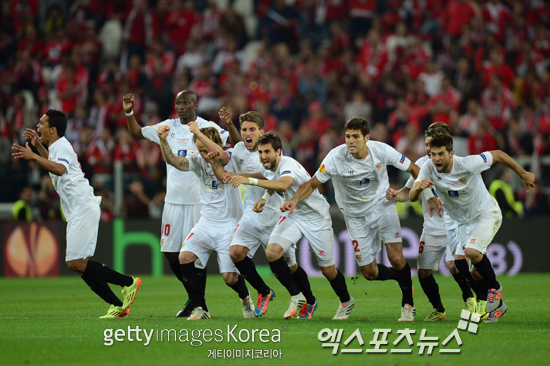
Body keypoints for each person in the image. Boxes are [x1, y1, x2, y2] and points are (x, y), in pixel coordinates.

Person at [283, 117, 419, 321]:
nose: (350, 141)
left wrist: (420, 193)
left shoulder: (382, 150)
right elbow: (312, 184)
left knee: (397, 258)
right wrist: (294, 200)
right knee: (369, 273)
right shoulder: (335, 158)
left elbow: (415, 169)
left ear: (366, 138)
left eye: (356, 137)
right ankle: (399, 277)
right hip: (355, 217)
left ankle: (408, 304)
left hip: (382, 207)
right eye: (348, 137)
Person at [12, 110, 142, 318]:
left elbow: (60, 170)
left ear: (52, 129)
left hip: (82, 206)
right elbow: (55, 165)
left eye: (42, 123)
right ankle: (118, 306)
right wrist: (37, 146)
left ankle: (129, 282)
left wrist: (33, 156)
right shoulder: (55, 147)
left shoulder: (61, 145)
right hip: (76, 210)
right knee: (80, 265)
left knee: (75, 263)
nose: (38, 127)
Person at [123, 90, 240, 317]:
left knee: (193, 255)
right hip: (173, 201)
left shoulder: (208, 128)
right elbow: (137, 133)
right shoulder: (167, 126)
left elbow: (236, 143)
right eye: (178, 102)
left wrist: (231, 124)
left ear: (195, 104)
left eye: (186, 102)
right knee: (169, 252)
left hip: (198, 201)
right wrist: (129, 111)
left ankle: (198, 304)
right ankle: (195, 297)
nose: (181, 106)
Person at [409, 132, 536, 322]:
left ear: (451, 153)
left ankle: (495, 289)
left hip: (486, 214)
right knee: (460, 264)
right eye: (433, 154)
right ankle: (497, 305)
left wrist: (523, 174)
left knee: (472, 252)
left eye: (441, 154)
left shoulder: (468, 163)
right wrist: (418, 188)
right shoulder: (428, 167)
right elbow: (411, 197)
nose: (436, 158)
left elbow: (499, 154)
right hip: (463, 221)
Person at [229, 132, 353, 320]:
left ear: (278, 151)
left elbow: (283, 184)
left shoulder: (288, 165)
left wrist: (248, 180)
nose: (263, 156)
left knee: (328, 270)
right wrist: (264, 198)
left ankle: (346, 301)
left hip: (316, 217)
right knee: (272, 252)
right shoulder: (271, 165)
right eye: (260, 152)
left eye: (267, 152)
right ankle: (297, 296)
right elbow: (272, 181)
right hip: (293, 214)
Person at [157, 123, 252, 320]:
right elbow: (174, 161)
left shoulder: (230, 158)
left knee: (229, 278)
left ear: (216, 145)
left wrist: (211, 153)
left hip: (229, 226)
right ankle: (201, 308)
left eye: (205, 150)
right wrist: (163, 140)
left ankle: (245, 296)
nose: (203, 154)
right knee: (184, 257)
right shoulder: (199, 162)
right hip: (206, 223)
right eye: (199, 150)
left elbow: (224, 174)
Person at [386, 122, 479, 321]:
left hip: (456, 222)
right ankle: (439, 309)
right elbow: (407, 193)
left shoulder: (459, 163)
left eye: (434, 141)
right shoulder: (421, 165)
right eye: (428, 143)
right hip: (433, 226)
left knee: (456, 265)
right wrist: (396, 194)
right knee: (423, 272)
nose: (430, 148)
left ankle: (471, 300)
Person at [208, 110, 281, 317]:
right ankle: (263, 291)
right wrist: (213, 158)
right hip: (251, 213)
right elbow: (224, 162)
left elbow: (270, 178)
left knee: (289, 266)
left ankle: (304, 298)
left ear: (261, 131)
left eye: (252, 129)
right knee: (235, 254)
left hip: (275, 213)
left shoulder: (271, 150)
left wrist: (240, 176)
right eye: (244, 129)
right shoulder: (239, 149)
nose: (248, 133)